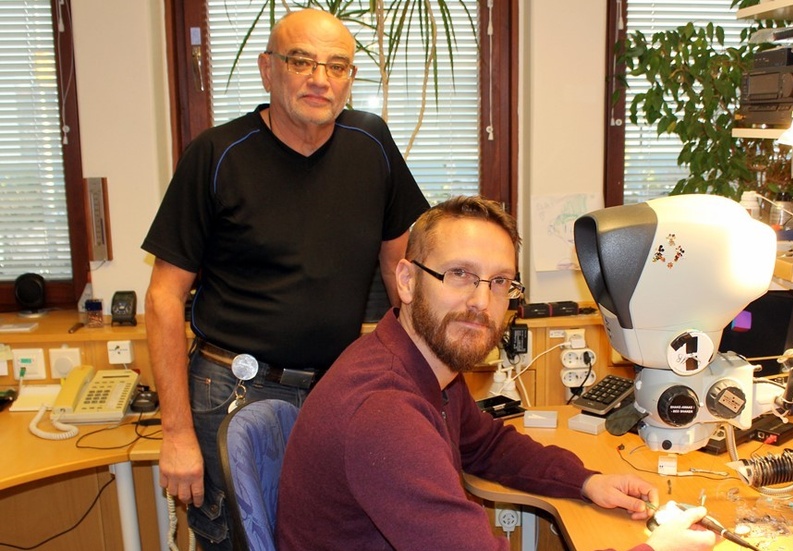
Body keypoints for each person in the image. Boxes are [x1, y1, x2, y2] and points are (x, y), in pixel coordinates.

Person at [276, 196, 719, 551]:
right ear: (407, 281)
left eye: (501, 282)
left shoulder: (424, 364)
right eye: (460, 274)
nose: (482, 302)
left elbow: (485, 445)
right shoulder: (386, 413)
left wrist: (586, 480)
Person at [141, 9, 429, 549]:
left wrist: (421, 378)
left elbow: (402, 268)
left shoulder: (372, 144)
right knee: (236, 542)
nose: (320, 79)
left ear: (349, 79)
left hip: (335, 391)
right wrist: (176, 433)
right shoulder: (217, 154)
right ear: (267, 70)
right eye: (301, 61)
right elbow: (163, 298)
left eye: (337, 66)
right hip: (231, 392)